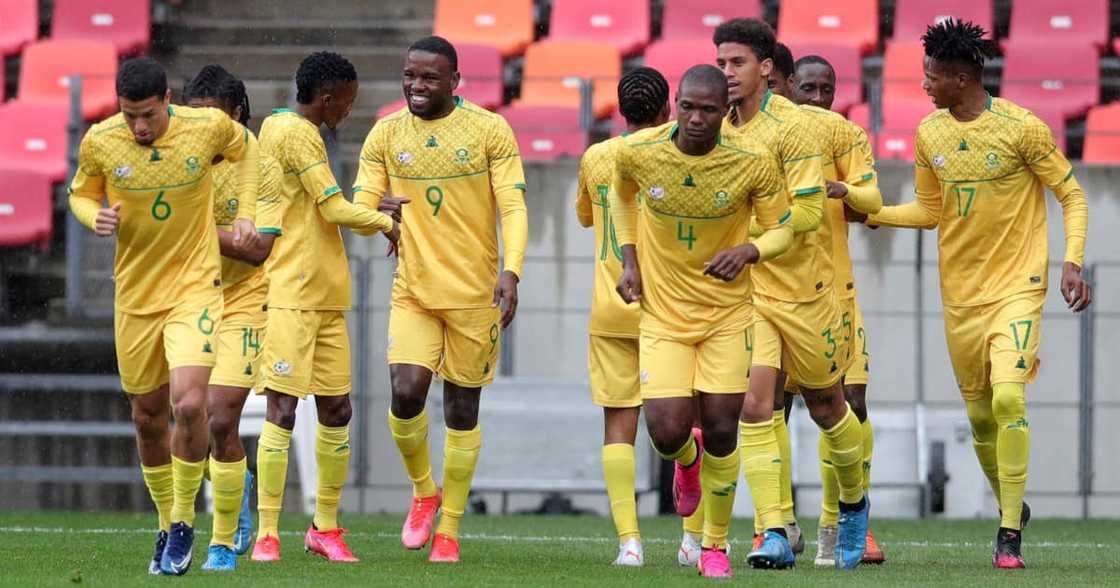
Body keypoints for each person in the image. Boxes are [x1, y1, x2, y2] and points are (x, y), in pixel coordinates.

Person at [858, 18, 1090, 569]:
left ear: (961, 79)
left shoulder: (1022, 127)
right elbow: (932, 210)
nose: (924, 85)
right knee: (982, 419)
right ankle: (1016, 504)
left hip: (1018, 287)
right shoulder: (930, 133)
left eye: (932, 76)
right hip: (960, 296)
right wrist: (875, 213)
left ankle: (1008, 532)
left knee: (1010, 399)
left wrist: (1072, 260)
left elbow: (1072, 194)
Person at [68, 57, 260, 576]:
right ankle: (162, 525)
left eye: (148, 115)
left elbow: (247, 152)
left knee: (191, 403)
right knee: (147, 416)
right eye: (130, 115)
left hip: (195, 288)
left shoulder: (207, 127)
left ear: (167, 100)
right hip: (135, 296)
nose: (140, 127)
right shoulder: (101, 141)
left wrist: (243, 212)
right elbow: (80, 193)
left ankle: (182, 524)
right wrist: (95, 215)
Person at [611, 64, 794, 578]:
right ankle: (685, 462)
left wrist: (751, 249)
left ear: (724, 112)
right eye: (688, 106)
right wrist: (629, 258)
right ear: (674, 103)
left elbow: (785, 230)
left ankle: (714, 546)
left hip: (727, 316)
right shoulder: (638, 152)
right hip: (664, 316)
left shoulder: (751, 162)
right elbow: (621, 196)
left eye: (708, 110)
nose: (695, 118)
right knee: (666, 432)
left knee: (722, 430)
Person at [353, 36, 528, 564]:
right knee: (405, 394)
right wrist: (377, 209)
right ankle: (424, 490)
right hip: (414, 290)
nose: (416, 86)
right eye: (410, 75)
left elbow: (513, 208)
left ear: (455, 81)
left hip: (475, 295)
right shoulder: (386, 132)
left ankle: (449, 528)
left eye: (429, 77)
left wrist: (511, 271)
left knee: (461, 410)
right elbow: (360, 203)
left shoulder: (489, 129)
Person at [714, 18, 870, 570]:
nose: (726, 73)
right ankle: (773, 530)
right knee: (756, 409)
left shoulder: (796, 129)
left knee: (830, 407)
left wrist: (752, 246)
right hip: (750, 295)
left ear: (765, 68)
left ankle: (853, 501)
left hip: (806, 290)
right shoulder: (719, 129)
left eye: (736, 63)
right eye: (721, 63)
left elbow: (806, 213)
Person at [251, 51, 398, 563]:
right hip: (292, 291)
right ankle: (267, 531)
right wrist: (386, 223)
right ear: (328, 97)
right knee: (283, 409)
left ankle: (325, 528)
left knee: (337, 408)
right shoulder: (295, 133)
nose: (349, 112)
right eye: (349, 102)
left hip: (326, 293)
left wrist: (371, 207)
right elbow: (334, 208)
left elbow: (324, 203)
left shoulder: (290, 130)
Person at [781, 49, 886, 566]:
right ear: (788, 87)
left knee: (851, 404)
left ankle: (839, 523)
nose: (819, 98)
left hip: (836, 292)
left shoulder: (844, 135)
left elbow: (871, 204)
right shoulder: (772, 135)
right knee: (768, 409)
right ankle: (777, 524)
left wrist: (846, 190)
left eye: (828, 89)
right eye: (808, 89)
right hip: (775, 292)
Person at [182, 64, 287, 571]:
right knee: (191, 417)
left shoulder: (261, 164)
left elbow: (259, 250)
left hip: (244, 298)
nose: (203, 128)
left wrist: (192, 229)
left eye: (212, 117)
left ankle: (222, 542)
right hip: (185, 298)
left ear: (237, 115)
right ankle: (233, 488)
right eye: (193, 116)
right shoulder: (176, 158)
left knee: (221, 418)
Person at [575, 67, 671, 567]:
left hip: (611, 308)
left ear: (619, 112)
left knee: (618, 428)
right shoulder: (675, 154)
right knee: (687, 427)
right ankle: (695, 540)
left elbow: (588, 217)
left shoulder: (597, 156)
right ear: (667, 112)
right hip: (671, 311)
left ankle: (629, 542)